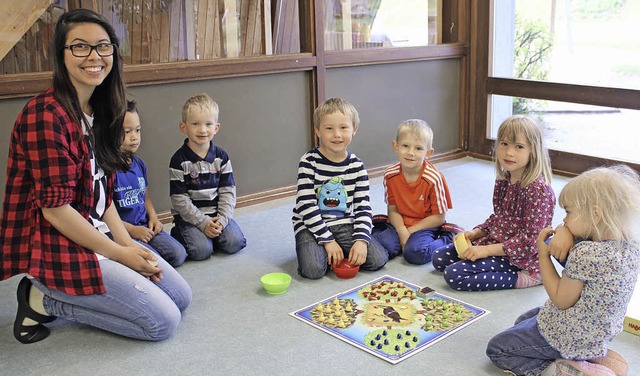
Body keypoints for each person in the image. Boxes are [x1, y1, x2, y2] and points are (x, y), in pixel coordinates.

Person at [0, 9, 192, 344]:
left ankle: (76, 284)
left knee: (181, 297)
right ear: (61, 55)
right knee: (161, 323)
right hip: (56, 243)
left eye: (103, 47)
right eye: (80, 47)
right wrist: (121, 255)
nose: (94, 57)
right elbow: (55, 210)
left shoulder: (102, 109)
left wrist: (127, 242)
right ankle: (39, 299)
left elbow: (102, 196)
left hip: (96, 230)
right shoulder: (45, 116)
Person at [486, 165, 640, 376]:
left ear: (595, 214)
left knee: (499, 348)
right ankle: (594, 358)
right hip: (597, 332)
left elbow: (560, 299)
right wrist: (565, 230)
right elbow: (576, 242)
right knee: (523, 320)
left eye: (568, 212)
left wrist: (543, 256)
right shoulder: (631, 246)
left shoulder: (587, 252)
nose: (564, 219)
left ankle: (561, 369)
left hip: (571, 335)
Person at [431, 115, 555, 291]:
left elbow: (530, 241)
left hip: (521, 257)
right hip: (496, 243)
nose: (509, 152)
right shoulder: (504, 179)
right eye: (504, 144)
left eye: (519, 147)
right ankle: (489, 258)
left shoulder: (538, 191)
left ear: (533, 151)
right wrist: (476, 233)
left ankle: (530, 277)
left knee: (454, 275)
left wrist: (486, 251)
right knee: (439, 258)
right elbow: (498, 218)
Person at [292, 97, 389, 279]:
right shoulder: (308, 161)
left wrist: (360, 240)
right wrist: (328, 241)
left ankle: (340, 250)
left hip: (345, 224)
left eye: (343, 127)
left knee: (378, 259)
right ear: (318, 131)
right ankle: (325, 250)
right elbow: (306, 206)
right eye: (329, 128)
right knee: (313, 270)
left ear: (354, 130)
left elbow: (363, 207)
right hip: (311, 226)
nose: (337, 134)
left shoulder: (357, 166)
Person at [169, 93, 246, 260]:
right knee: (201, 252)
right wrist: (203, 223)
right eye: (195, 124)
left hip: (217, 214)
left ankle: (214, 234)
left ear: (216, 128)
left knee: (235, 243)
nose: (202, 129)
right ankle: (183, 234)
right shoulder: (178, 160)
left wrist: (223, 220)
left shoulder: (222, 157)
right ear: (184, 127)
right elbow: (179, 200)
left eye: (208, 124)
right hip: (191, 218)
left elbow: (228, 192)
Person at [371, 119, 458, 264]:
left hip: (425, 224)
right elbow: (392, 209)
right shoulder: (390, 175)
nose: (411, 153)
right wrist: (401, 230)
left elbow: (438, 218)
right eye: (405, 146)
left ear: (428, 153)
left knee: (415, 254)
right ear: (395, 146)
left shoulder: (433, 179)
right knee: (382, 247)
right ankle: (387, 232)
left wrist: (409, 232)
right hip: (399, 222)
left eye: (418, 148)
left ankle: (448, 237)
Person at [113, 100, 187, 267]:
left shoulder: (139, 164)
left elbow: (145, 196)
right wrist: (132, 230)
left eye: (137, 130)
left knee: (178, 254)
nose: (134, 137)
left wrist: (154, 218)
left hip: (145, 227)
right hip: (122, 233)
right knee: (148, 262)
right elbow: (105, 215)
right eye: (127, 131)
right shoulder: (107, 170)